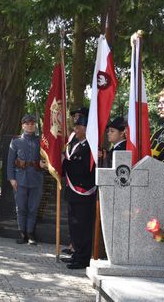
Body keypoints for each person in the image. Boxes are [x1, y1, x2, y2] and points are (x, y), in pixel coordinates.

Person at [61, 110, 97, 270]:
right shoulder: (74, 144)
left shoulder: (91, 147)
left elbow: (83, 170)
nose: (75, 129)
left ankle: (83, 259)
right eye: (75, 126)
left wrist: (64, 163)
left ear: (87, 128)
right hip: (72, 193)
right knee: (74, 226)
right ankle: (76, 253)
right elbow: (68, 167)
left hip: (84, 193)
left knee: (83, 227)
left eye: (79, 126)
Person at [7, 114, 44, 245]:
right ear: (22, 125)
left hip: (36, 178)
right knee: (21, 207)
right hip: (20, 178)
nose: (30, 126)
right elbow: (10, 161)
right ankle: (22, 232)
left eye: (32, 124)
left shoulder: (41, 141)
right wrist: (11, 178)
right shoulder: (16, 141)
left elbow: (47, 158)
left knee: (33, 207)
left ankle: (30, 233)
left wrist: (44, 163)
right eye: (27, 124)